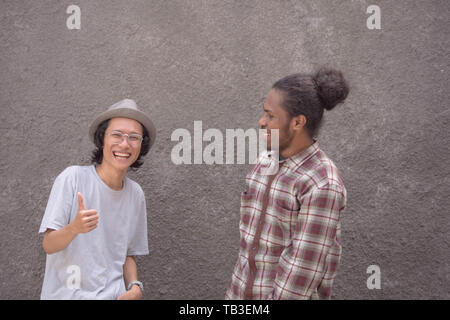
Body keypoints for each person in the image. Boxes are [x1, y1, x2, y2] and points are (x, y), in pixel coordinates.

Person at [226, 67, 349, 300]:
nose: (261, 122)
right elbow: (249, 252)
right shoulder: (264, 161)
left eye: (271, 115)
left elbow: (298, 279)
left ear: (297, 122)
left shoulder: (322, 183)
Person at [39, 98, 156, 300]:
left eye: (134, 137)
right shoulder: (72, 178)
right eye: (117, 135)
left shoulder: (135, 194)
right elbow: (49, 244)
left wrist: (135, 286)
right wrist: (74, 228)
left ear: (140, 146)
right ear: (103, 139)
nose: (125, 144)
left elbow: (127, 254)